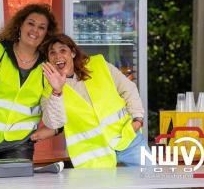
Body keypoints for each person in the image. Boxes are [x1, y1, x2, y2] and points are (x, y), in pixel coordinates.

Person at [0, 3, 62, 173]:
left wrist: (57, 93)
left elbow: (53, 114)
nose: (34, 30)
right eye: (30, 23)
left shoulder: (47, 66)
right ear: (20, 25)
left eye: (41, 27)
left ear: (46, 34)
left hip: (19, 143)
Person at [31, 33, 150, 168]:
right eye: (52, 53)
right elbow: (54, 123)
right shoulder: (49, 90)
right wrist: (57, 91)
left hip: (128, 139)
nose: (58, 56)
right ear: (49, 60)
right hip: (94, 155)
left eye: (63, 50)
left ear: (73, 53)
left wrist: (138, 119)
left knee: (149, 180)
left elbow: (128, 89)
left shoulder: (98, 65)